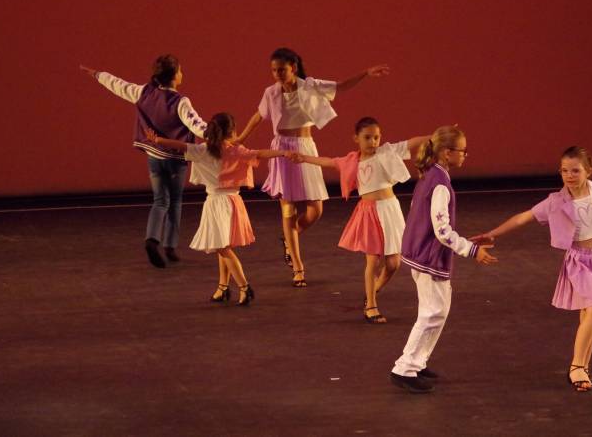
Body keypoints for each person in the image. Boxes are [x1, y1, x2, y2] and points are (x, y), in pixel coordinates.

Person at [469, 146, 592, 391]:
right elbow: (524, 217)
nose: (569, 175)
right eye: (564, 171)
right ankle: (576, 367)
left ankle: (584, 366)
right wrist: (492, 234)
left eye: (575, 171)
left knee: (590, 316)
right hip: (580, 262)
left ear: (588, 170)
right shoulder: (556, 202)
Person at [234, 47, 389, 287]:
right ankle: (298, 268)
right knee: (288, 208)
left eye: (282, 70)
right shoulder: (271, 93)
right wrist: (241, 138)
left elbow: (340, 86)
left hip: (305, 148)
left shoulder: (310, 86)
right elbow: (258, 116)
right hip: (283, 150)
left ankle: (290, 237)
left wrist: (366, 73)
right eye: (274, 70)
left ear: (293, 68)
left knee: (315, 209)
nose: (277, 74)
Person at [390, 125, 497, 393]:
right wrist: (471, 250)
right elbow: (442, 231)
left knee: (438, 311)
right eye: (462, 151)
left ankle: (418, 361)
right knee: (431, 313)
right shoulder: (439, 183)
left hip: (423, 252)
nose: (465, 155)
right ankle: (404, 368)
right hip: (428, 256)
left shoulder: (432, 176)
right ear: (447, 152)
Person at [289, 116, 429, 322]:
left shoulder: (387, 152)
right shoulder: (352, 161)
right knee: (373, 260)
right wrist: (303, 158)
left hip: (390, 210)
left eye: (376, 137)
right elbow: (329, 162)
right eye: (367, 137)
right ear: (356, 138)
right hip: (369, 212)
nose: (373, 142)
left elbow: (411, 142)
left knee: (393, 264)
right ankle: (371, 306)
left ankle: (373, 290)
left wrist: (434, 136)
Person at [145, 113, 287, 305]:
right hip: (233, 202)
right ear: (232, 131)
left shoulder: (203, 150)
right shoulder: (236, 151)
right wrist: (283, 153)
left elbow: (180, 146)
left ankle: (245, 287)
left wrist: (158, 140)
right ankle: (223, 288)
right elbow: (259, 153)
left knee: (222, 247)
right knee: (223, 246)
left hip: (218, 203)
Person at [80, 56, 207, 268]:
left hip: (154, 157)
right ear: (174, 76)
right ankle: (170, 246)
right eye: (180, 71)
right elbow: (196, 125)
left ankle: (152, 239)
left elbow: (118, 85)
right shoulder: (180, 101)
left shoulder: (144, 92)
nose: (182, 74)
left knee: (160, 201)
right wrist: (218, 136)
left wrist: (97, 74)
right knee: (175, 201)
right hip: (174, 160)